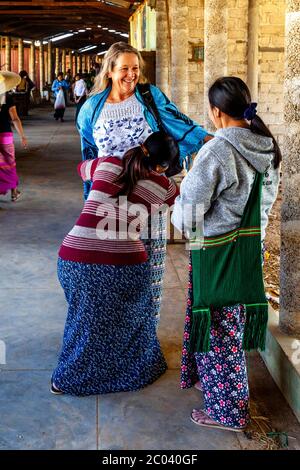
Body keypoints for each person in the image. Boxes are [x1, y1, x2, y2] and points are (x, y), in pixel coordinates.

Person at [172, 76, 281, 432]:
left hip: (219, 252)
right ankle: (214, 383)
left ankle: (228, 412)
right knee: (228, 324)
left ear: (216, 112)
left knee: (218, 329)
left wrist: (182, 218)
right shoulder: (267, 145)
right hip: (251, 248)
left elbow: (187, 212)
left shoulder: (218, 150)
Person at [77, 41, 212, 326]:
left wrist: (212, 140)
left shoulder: (149, 97)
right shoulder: (91, 109)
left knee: (149, 270)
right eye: (124, 68)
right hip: (110, 203)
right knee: (112, 271)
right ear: (110, 71)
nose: (131, 74)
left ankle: (145, 335)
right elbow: (88, 154)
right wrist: (90, 198)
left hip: (149, 200)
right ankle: (117, 331)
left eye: (135, 68)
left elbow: (179, 123)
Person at [51, 132, 180, 396]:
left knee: (85, 316)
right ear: (162, 166)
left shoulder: (108, 163)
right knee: (139, 311)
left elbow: (81, 169)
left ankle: (68, 376)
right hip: (124, 267)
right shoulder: (164, 185)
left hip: (72, 261)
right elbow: (176, 197)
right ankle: (123, 369)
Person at [0, 71, 28, 202]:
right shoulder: (8, 97)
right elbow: (15, 119)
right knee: (10, 163)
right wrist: (22, 136)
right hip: (6, 135)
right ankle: (14, 192)